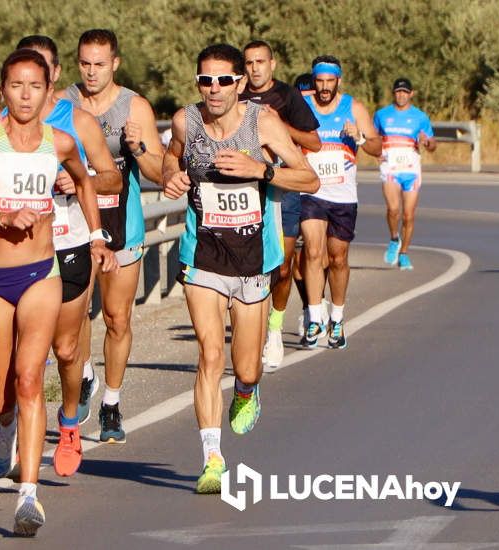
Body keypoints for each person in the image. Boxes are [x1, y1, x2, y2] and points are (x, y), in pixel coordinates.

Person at [0, 49, 113, 536]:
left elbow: (85, 183)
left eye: (34, 86)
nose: (25, 95)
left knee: (31, 378)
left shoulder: (59, 142)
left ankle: (28, 497)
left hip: (43, 272)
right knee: (2, 394)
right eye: (16, 85)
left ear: (47, 91)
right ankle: (5, 424)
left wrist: (96, 236)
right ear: (3, 90)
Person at [163, 43, 319, 494]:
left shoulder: (262, 122)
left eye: (223, 80)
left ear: (239, 82)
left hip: (253, 259)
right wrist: (171, 173)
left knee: (245, 367)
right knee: (210, 354)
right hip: (203, 255)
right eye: (205, 80)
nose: (214, 89)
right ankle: (212, 459)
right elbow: (171, 156)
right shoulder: (185, 120)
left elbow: (308, 177)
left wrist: (261, 170)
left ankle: (248, 391)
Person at [0, 35, 121, 477]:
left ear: (53, 79)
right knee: (15, 353)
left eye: (41, 75)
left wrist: (79, 180)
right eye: (21, 78)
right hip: (15, 252)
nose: (31, 87)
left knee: (67, 349)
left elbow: (112, 179)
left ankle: (68, 424)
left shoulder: (79, 124)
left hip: (68, 243)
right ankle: (9, 426)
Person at [62, 29, 164, 443]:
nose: (91, 72)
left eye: (99, 64)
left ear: (115, 63)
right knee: (76, 313)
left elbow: (161, 173)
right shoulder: (63, 103)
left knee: (117, 318)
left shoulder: (133, 106)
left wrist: (138, 150)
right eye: (85, 63)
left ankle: (111, 403)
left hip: (124, 221)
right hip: (75, 222)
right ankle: (84, 374)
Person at [240, 40, 321, 371]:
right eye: (249, 62)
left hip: (283, 188)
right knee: (253, 266)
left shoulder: (288, 96)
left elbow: (314, 142)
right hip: (247, 189)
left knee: (284, 267)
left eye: (261, 61)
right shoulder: (234, 95)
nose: (255, 68)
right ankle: (255, 331)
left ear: (272, 64)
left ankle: (274, 329)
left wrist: (279, 125)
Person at [300, 56, 382, 349]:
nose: (323, 87)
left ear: (338, 81)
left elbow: (377, 147)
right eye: (319, 81)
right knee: (312, 250)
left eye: (329, 82)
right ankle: (313, 315)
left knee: (338, 258)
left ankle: (336, 317)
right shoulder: (303, 103)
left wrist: (359, 137)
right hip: (312, 191)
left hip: (344, 196)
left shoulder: (353, 107)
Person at [374, 78, 436, 270]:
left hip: (411, 169)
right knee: (393, 210)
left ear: (411, 94)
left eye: (405, 92)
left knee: (408, 215)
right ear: (393, 93)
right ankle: (394, 238)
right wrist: (376, 152)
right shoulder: (382, 115)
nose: (401, 95)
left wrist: (427, 142)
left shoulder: (420, 117)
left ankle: (404, 253)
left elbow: (433, 145)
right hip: (390, 168)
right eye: (398, 92)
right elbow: (372, 138)